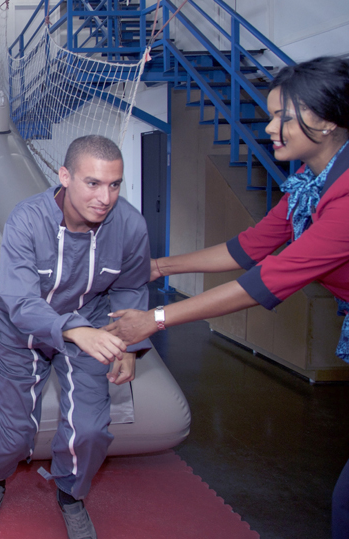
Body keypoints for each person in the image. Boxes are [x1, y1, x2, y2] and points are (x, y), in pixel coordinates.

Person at [103, 56, 349, 539]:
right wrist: (159, 266)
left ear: (326, 119)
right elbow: (249, 248)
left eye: (283, 116)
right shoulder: (307, 181)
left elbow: (266, 280)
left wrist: (154, 318)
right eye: (271, 113)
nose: (271, 126)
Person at [0, 135, 152, 539]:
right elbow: (18, 299)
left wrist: (130, 347)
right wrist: (75, 330)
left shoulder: (130, 225)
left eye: (114, 184)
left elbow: (131, 288)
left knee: (90, 429)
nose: (105, 197)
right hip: (23, 330)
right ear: (65, 176)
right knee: (17, 432)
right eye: (92, 183)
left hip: (90, 324)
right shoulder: (26, 220)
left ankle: (71, 495)